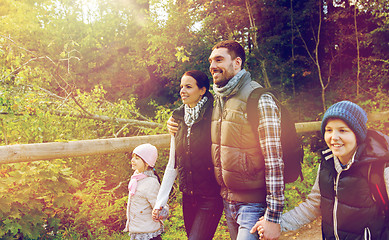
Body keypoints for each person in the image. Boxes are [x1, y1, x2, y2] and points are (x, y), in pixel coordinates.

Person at [168, 40, 285, 240]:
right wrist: (175, 117)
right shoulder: (219, 100)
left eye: (219, 60)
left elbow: (274, 160)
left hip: (253, 204)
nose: (213, 66)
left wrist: (273, 216)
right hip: (227, 201)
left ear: (237, 63)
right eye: (211, 61)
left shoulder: (259, 99)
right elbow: (192, 107)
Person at [254, 101, 389, 239]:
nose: (334, 137)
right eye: (329, 130)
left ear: (358, 135)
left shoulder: (379, 167)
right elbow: (314, 205)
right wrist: (276, 223)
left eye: (342, 130)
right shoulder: (327, 164)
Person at [152, 70, 223, 240]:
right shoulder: (178, 120)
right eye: (181, 86)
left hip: (211, 196)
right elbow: (173, 164)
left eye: (188, 87)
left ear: (202, 90)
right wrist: (160, 201)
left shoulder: (216, 116)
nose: (182, 90)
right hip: (188, 197)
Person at [123, 143, 164, 240]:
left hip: (148, 233)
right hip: (137, 230)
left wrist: (159, 211)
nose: (132, 160)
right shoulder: (136, 177)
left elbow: (160, 204)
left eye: (137, 158)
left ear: (146, 163)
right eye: (133, 157)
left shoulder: (151, 182)